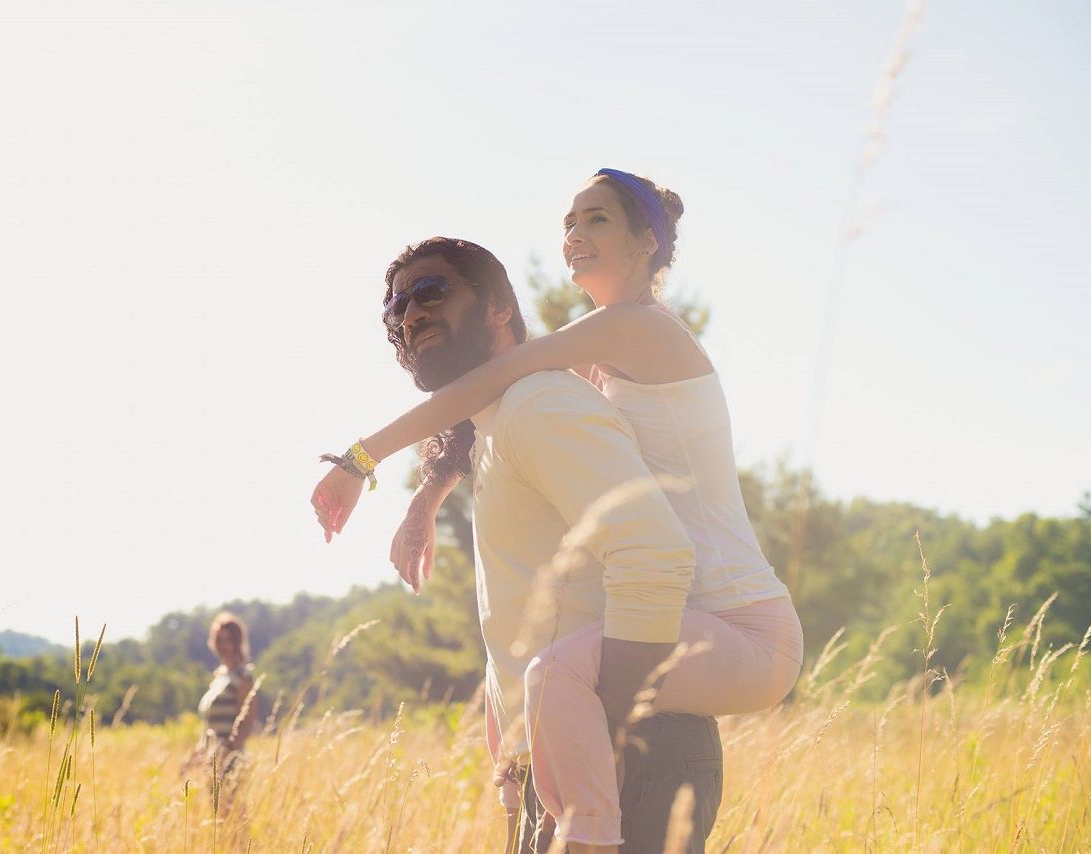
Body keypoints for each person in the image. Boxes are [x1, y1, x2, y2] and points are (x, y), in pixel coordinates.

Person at [312, 171, 803, 852]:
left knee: (561, 674)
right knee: (554, 670)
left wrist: (361, 459)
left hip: (729, 628)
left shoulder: (630, 334)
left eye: (597, 220)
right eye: (570, 222)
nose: (574, 235)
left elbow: (501, 381)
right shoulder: (584, 374)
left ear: (646, 242)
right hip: (666, 657)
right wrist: (428, 497)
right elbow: (489, 408)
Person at [191, 612, 256, 775]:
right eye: (219, 639)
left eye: (228, 640)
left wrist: (226, 755)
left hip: (230, 762)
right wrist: (196, 755)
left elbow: (246, 725)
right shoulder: (219, 677)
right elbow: (208, 727)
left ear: (237, 642)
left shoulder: (243, 677)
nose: (223, 645)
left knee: (229, 801)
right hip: (209, 760)